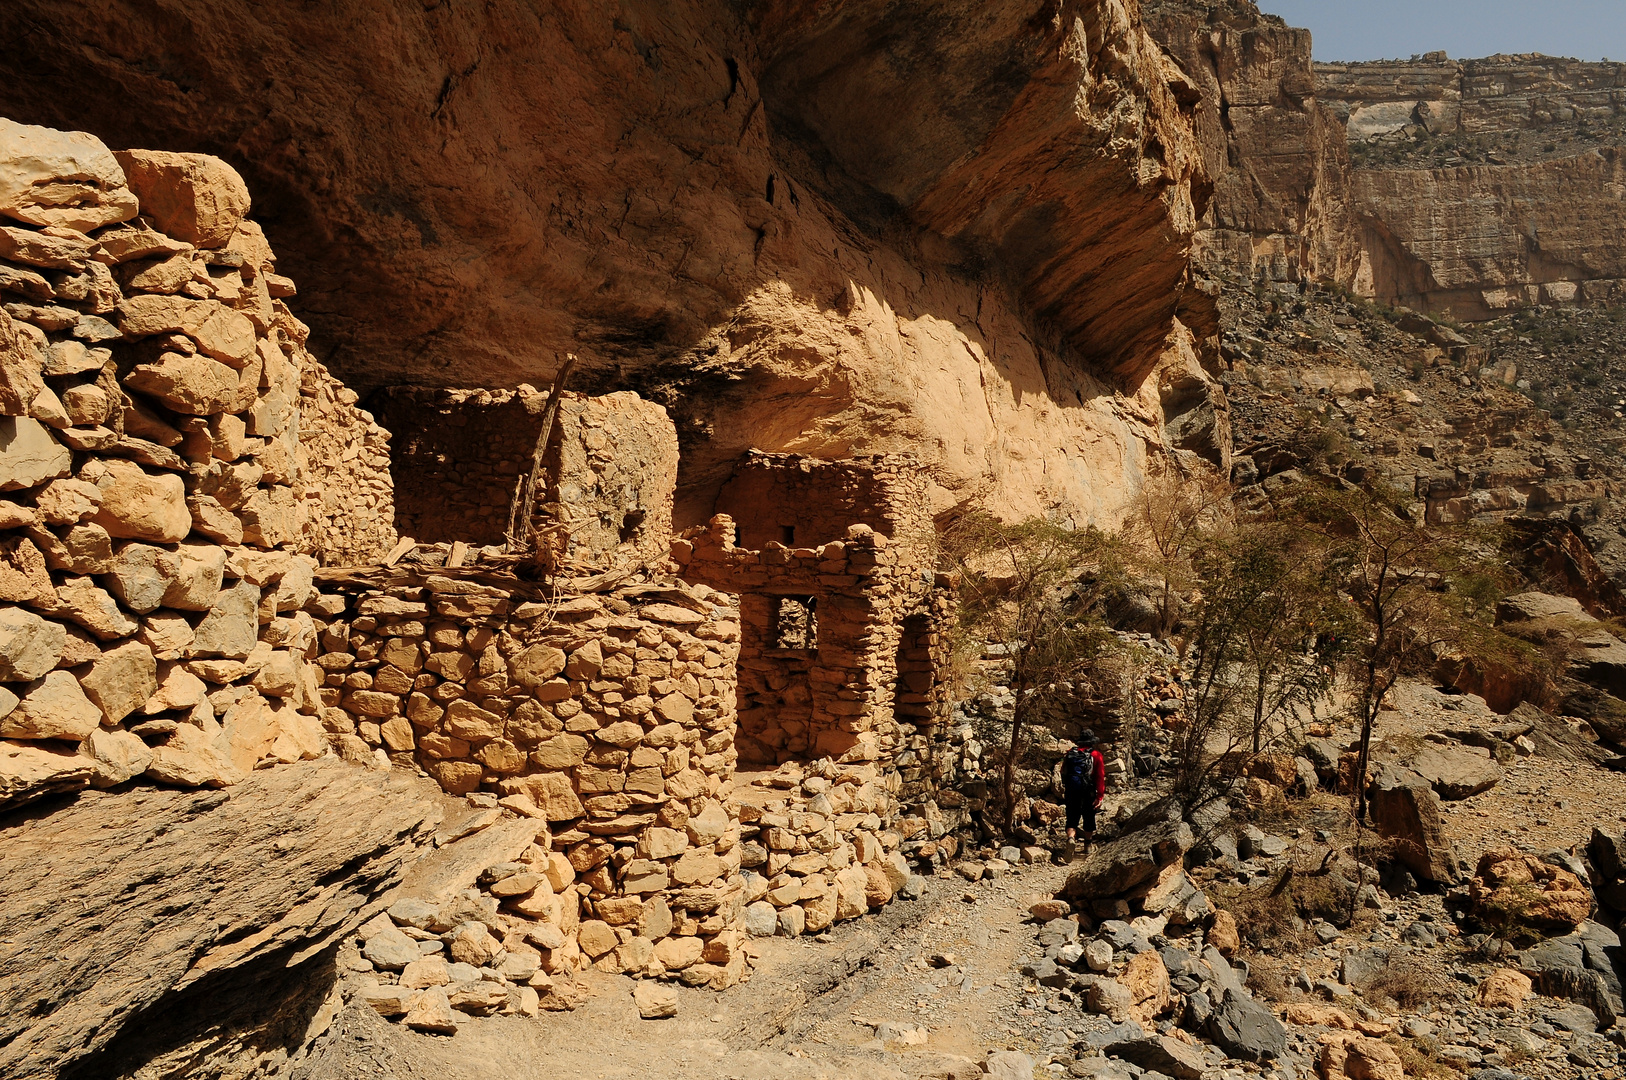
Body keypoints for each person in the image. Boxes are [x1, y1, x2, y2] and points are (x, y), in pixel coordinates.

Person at [1060, 730, 1105, 863]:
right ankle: (1088, 845)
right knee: (1088, 815)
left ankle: (1071, 839)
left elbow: (1063, 771)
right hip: (1087, 791)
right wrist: (1100, 796)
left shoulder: (1070, 753)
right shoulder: (1096, 755)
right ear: (1092, 742)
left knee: (1072, 816)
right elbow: (1100, 776)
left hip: (1071, 790)